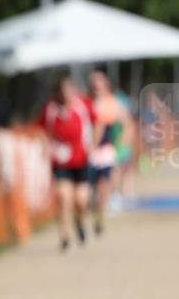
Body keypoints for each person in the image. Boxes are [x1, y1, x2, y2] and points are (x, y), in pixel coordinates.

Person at [38, 76, 95, 251]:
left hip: (81, 159)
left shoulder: (83, 105)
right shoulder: (51, 108)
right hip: (61, 160)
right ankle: (64, 236)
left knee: (81, 200)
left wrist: (93, 143)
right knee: (64, 197)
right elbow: (41, 129)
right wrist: (46, 146)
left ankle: (78, 222)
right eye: (63, 91)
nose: (66, 94)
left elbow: (97, 122)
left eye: (69, 90)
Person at [88, 69, 134, 234]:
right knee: (90, 183)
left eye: (98, 81)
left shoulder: (112, 102)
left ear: (105, 83)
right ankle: (97, 205)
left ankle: (109, 202)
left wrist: (121, 146)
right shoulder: (87, 102)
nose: (95, 85)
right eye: (93, 82)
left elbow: (128, 124)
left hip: (107, 146)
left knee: (108, 178)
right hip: (88, 148)